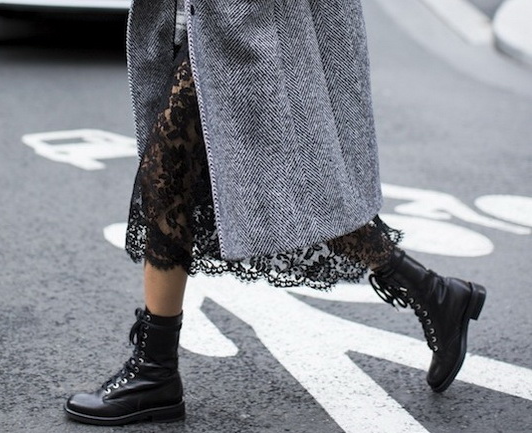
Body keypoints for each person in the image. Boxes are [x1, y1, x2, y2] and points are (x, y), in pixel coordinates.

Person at [64, 0, 487, 426]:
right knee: (262, 185)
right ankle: (434, 294)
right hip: (219, 14)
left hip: (258, 14)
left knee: (178, 171)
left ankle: (155, 369)